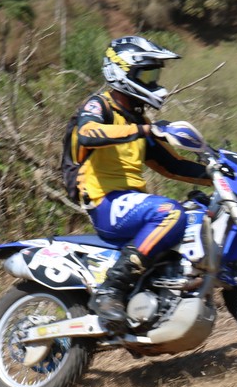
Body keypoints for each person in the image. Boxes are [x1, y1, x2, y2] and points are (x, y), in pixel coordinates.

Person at [68, 35, 212, 326]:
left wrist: (222, 174)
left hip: (131, 204)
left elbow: (172, 165)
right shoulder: (100, 106)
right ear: (122, 73)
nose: (153, 81)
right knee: (170, 213)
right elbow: (87, 133)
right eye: (146, 74)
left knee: (208, 217)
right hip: (104, 202)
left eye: (154, 75)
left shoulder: (138, 120)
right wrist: (145, 130)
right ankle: (111, 289)